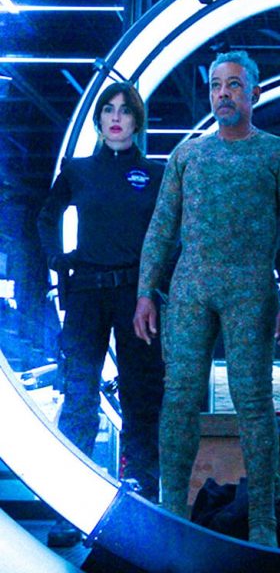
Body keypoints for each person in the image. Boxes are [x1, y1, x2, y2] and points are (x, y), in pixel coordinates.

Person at [133, 50, 280, 547]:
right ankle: (173, 511)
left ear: (255, 93)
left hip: (250, 290)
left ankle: (264, 521)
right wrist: (145, 291)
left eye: (233, 85)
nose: (223, 94)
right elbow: (161, 227)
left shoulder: (279, 154)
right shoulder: (187, 156)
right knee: (179, 398)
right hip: (190, 289)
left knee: (253, 402)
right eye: (216, 85)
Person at [37, 82, 165, 546]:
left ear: (137, 121)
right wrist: (57, 259)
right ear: (97, 120)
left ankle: (142, 502)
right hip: (87, 294)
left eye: (124, 111)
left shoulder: (155, 174)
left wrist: (158, 283)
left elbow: (169, 234)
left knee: (141, 398)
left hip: (137, 297)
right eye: (108, 110)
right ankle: (69, 509)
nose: (115, 118)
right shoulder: (77, 170)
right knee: (79, 398)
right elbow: (46, 218)